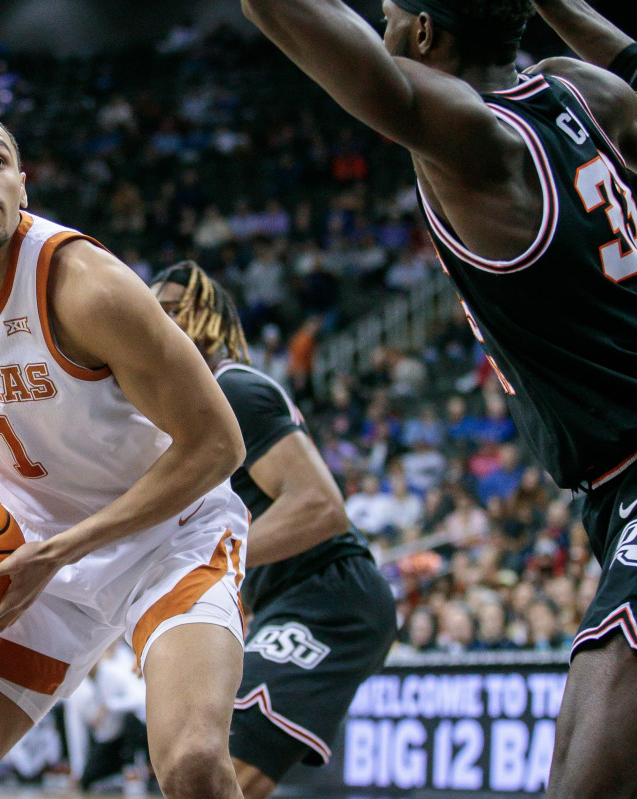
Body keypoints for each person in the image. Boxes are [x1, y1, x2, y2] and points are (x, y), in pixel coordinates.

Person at [241, 0, 637, 795]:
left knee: (584, 778)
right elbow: (631, 64)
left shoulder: (477, 139)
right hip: (614, 489)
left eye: (389, 15)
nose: (384, 28)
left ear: (422, 34)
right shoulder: (584, 92)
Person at [0, 109, 250, 799]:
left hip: (171, 536)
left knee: (193, 763)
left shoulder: (89, 288)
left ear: (23, 183)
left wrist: (61, 552)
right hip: (30, 550)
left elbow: (221, 444)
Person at [151, 262, 396, 799]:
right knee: (192, 768)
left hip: (330, 597)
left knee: (219, 768)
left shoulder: (233, 388)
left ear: (209, 320)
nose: (156, 325)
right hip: (285, 599)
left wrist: (211, 567)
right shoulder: (186, 411)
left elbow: (318, 507)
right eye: (151, 314)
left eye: (171, 311)